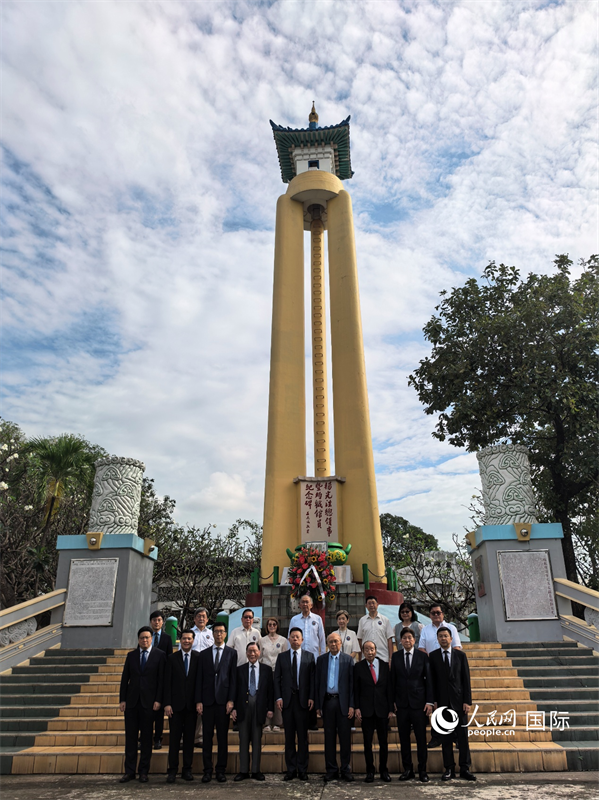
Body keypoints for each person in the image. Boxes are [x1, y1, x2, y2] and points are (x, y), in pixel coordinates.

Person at [118, 626, 165, 783]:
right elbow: (125, 679)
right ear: (138, 640)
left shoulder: (160, 655)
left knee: (146, 739)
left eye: (147, 637)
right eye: (142, 638)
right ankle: (129, 771)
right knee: (130, 738)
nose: (144, 640)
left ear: (151, 639)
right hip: (131, 703)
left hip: (149, 704)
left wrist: (159, 700)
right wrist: (122, 700)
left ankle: (143, 771)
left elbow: (161, 681)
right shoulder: (131, 656)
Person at [428, 626, 476, 782]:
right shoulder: (433, 656)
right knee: (446, 739)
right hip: (442, 705)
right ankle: (449, 768)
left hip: (459, 703)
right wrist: (433, 700)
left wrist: (467, 701)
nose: (443, 638)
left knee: (462, 738)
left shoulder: (460, 656)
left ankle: (465, 768)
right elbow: (431, 682)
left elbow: (466, 680)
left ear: (451, 638)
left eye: (445, 636)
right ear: (437, 639)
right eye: (440, 636)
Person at [196, 621, 237, 783]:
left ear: (225, 634)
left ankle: (221, 770)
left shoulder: (231, 653)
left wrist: (231, 700)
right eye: (216, 632)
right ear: (212, 634)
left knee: (222, 738)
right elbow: (199, 678)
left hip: (223, 702)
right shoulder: (204, 654)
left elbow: (233, 679)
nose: (219, 634)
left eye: (221, 631)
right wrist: (198, 701)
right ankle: (207, 770)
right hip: (206, 701)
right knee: (206, 738)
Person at [391, 627, 434, 783]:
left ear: (414, 640)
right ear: (400, 641)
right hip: (401, 705)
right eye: (404, 638)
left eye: (410, 638)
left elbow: (429, 680)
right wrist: (393, 703)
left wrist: (429, 701)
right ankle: (407, 769)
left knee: (421, 739)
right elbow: (393, 682)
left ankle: (422, 770)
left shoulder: (422, 657)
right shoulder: (395, 657)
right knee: (404, 739)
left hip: (419, 704)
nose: (407, 640)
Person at [274, 626, 315, 781]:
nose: (295, 639)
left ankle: (303, 769)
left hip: (303, 702)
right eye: (292, 637)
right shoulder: (282, 657)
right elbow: (277, 679)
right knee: (289, 737)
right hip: (287, 702)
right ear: (289, 639)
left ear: (302, 640)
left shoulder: (309, 656)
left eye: (298, 637)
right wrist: (278, 698)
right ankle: (291, 769)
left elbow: (312, 679)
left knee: (303, 738)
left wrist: (311, 697)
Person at [418, 602, 462, 747]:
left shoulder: (451, 628)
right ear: (429, 615)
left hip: (450, 670)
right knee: (436, 703)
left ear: (443, 614)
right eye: (433, 613)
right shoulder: (425, 630)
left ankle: (455, 736)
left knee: (452, 704)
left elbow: (456, 647)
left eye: (438, 612)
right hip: (433, 669)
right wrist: (433, 659)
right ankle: (436, 737)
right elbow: (422, 648)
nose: (436, 615)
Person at [315, 633, 355, 782]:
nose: (333, 644)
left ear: (340, 643)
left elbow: (352, 685)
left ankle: (345, 769)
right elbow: (317, 683)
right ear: (327, 643)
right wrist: (318, 705)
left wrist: (352, 705)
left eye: (336, 642)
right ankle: (331, 769)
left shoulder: (348, 659)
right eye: (330, 642)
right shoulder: (321, 660)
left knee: (345, 738)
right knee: (329, 738)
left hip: (343, 703)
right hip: (327, 702)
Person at [232, 642, 274, 781]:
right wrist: (233, 709)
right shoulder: (239, 670)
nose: (252, 654)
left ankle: (256, 770)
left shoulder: (266, 670)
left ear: (259, 652)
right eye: (249, 651)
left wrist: (270, 709)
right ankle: (243, 771)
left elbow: (270, 692)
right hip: (243, 707)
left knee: (257, 740)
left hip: (259, 707)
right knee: (243, 740)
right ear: (246, 652)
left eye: (254, 651)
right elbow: (235, 691)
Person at [163, 629, 199, 783]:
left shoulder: (199, 658)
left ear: (193, 640)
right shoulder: (172, 658)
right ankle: (172, 770)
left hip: (192, 707)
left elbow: (200, 683)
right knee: (174, 741)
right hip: (175, 707)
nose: (186, 641)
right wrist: (167, 703)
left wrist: (199, 702)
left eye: (189, 639)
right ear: (180, 640)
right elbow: (167, 683)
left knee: (190, 740)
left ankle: (187, 770)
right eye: (184, 638)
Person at [354, 640, 392, 783]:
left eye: (372, 649)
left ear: (376, 650)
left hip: (382, 710)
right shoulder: (358, 667)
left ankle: (384, 770)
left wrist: (389, 708)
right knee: (367, 742)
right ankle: (370, 771)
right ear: (363, 652)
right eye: (366, 649)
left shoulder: (383, 666)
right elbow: (356, 690)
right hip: (366, 710)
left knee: (383, 742)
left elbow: (389, 688)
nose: (369, 652)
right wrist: (357, 707)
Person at [288, 594, 325, 730]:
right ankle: (299, 719)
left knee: (312, 687)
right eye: (302, 602)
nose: (304, 604)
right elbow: (290, 638)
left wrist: (322, 657)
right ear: (299, 605)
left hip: (313, 659)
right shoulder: (294, 619)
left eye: (307, 602)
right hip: (298, 658)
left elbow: (322, 639)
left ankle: (312, 720)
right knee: (300, 687)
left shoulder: (317, 619)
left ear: (311, 605)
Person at [189, 607, 214, 746]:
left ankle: (199, 737)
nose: (201, 619)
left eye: (204, 616)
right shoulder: (189, 634)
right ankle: (185, 737)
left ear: (207, 619)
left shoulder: (211, 634)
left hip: (206, 673)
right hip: (191, 672)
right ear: (194, 618)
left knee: (203, 704)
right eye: (198, 616)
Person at [149, 610, 173, 750]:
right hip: (148, 678)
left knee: (158, 713)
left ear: (162, 622)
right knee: (147, 713)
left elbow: (169, 658)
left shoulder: (167, 638)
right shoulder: (146, 636)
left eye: (159, 620)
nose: (156, 622)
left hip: (161, 678)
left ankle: (158, 738)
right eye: (154, 620)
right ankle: (145, 737)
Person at [260, 616, 288, 731]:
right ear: (267, 627)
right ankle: (266, 723)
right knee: (266, 696)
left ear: (277, 626)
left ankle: (277, 722)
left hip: (278, 671)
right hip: (265, 671)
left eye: (274, 624)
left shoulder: (283, 640)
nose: (272, 626)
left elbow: (285, 656)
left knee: (277, 695)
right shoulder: (262, 640)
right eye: (269, 624)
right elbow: (259, 657)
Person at [357, 596, 394, 663]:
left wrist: (390, 658)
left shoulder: (385, 620)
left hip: (383, 657)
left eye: (373, 603)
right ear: (366, 606)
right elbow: (360, 639)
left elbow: (389, 639)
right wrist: (360, 658)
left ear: (377, 604)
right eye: (369, 603)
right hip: (366, 658)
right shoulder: (362, 620)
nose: (371, 605)